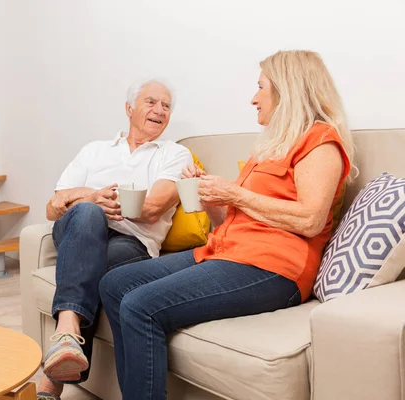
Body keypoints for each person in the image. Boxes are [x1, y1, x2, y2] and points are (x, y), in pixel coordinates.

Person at [99, 50, 355, 400]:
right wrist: (213, 201)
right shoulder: (270, 147)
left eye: (261, 87)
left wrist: (234, 193)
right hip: (227, 250)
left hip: (274, 267)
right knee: (114, 283)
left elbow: (310, 219)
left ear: (288, 90)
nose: (254, 98)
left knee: (140, 304)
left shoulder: (320, 140)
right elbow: (236, 217)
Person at [37, 79, 192, 400]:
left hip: (132, 243)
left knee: (93, 263)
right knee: (89, 215)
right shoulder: (94, 150)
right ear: (129, 108)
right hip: (77, 229)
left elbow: (151, 208)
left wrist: (83, 197)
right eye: (151, 102)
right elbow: (54, 207)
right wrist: (91, 199)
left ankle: (60, 355)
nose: (159, 111)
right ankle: (65, 339)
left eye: (166, 106)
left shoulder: (175, 154)